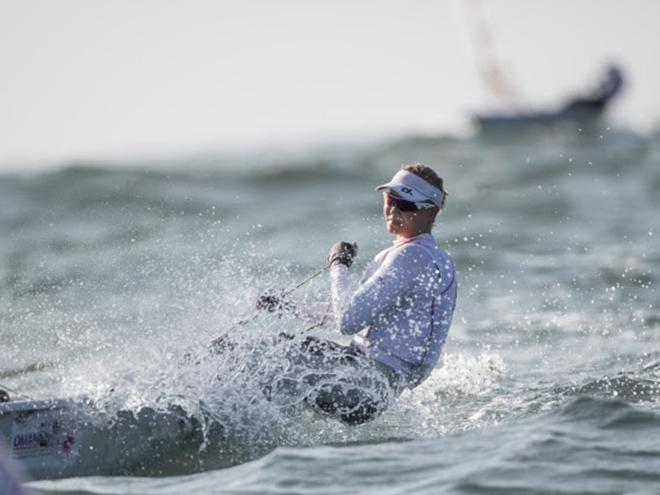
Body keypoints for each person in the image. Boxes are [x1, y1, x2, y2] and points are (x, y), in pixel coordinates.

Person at [258, 164, 457, 425]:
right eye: (391, 199)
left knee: (266, 354)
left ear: (430, 212)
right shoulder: (421, 257)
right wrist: (287, 307)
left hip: (364, 386)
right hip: (371, 385)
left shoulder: (413, 256)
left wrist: (338, 265)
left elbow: (347, 321)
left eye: (406, 204)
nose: (394, 209)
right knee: (278, 347)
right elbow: (357, 318)